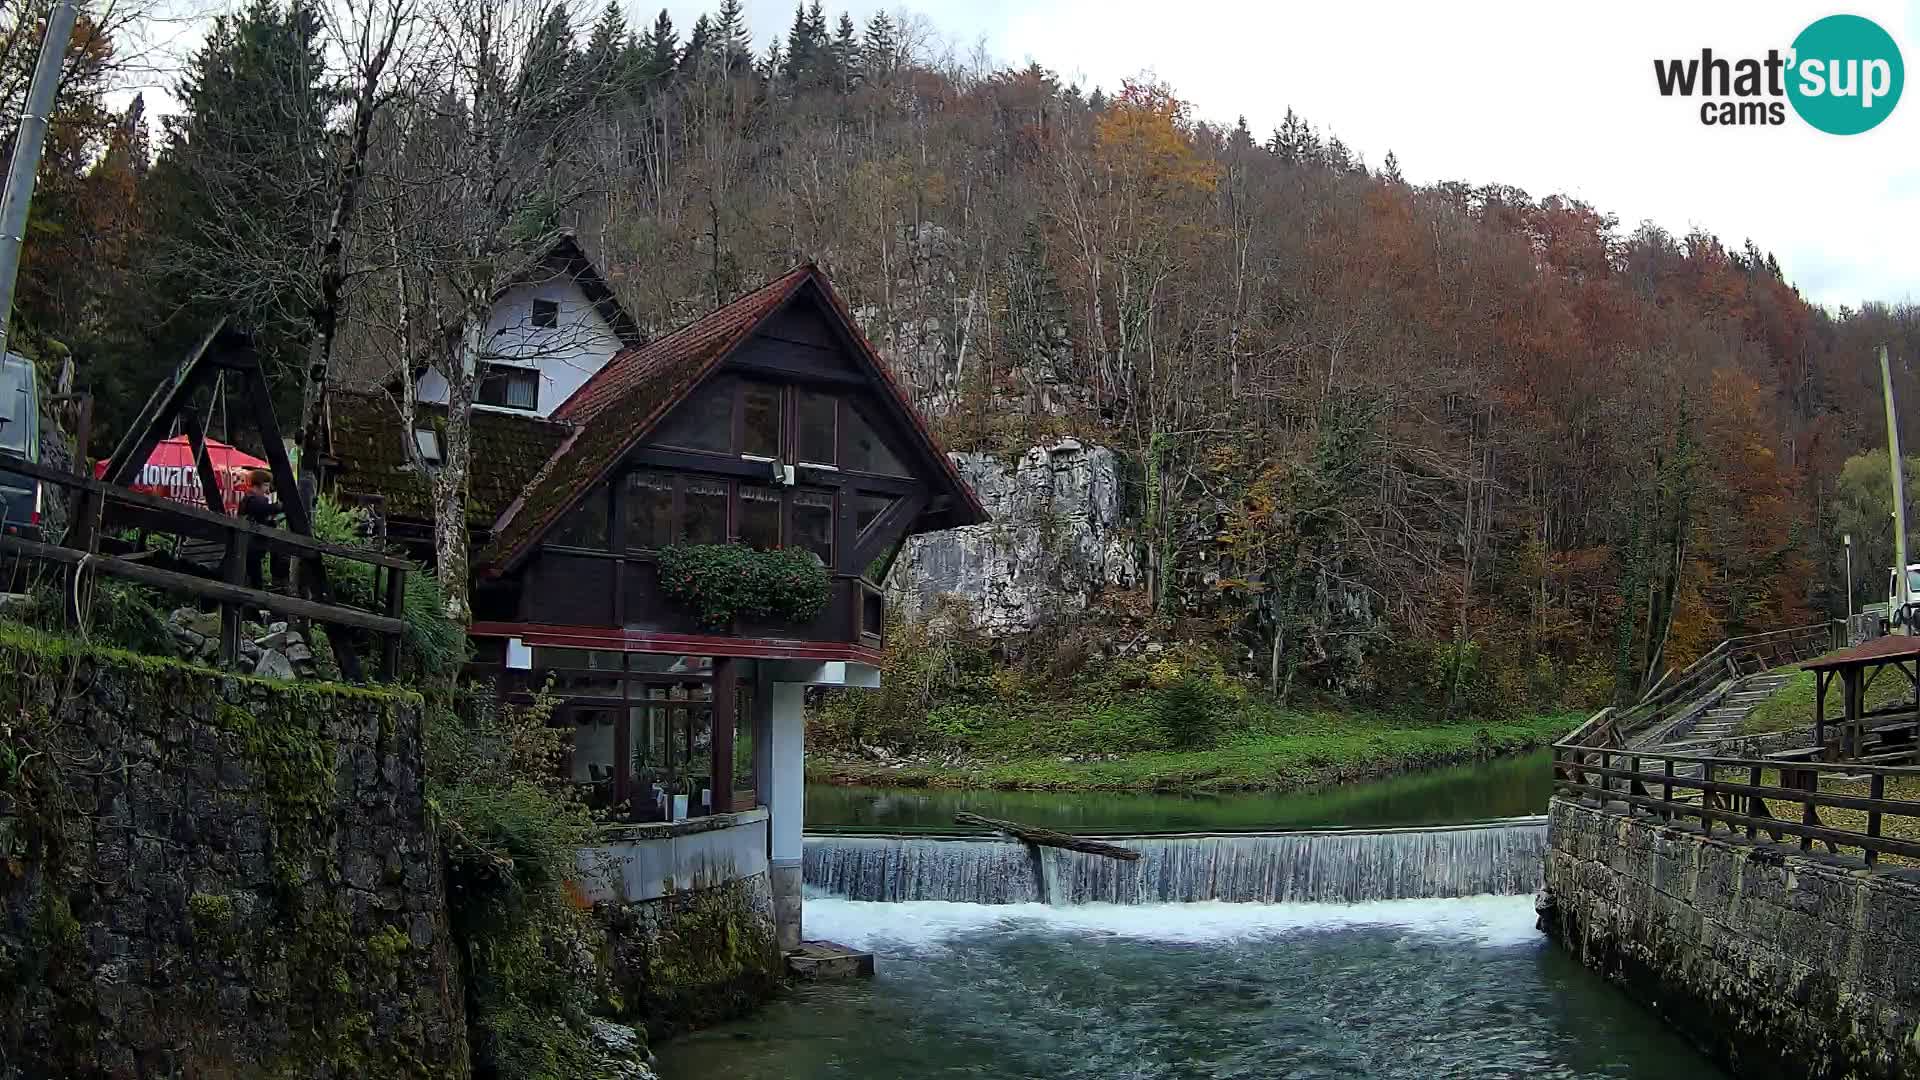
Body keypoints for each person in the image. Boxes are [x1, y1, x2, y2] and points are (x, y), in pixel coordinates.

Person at [238, 469, 282, 590]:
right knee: (254, 579)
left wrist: (271, 523)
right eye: (266, 485)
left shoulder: (249, 499)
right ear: (258, 484)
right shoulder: (253, 499)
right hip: (251, 545)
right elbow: (263, 509)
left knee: (253, 577)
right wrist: (279, 507)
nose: (268, 490)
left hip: (250, 546)